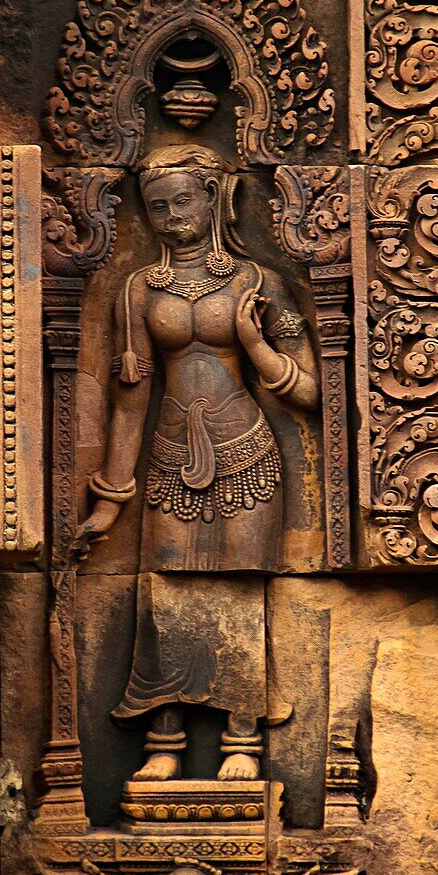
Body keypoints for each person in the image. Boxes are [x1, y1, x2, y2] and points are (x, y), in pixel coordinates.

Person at [79, 145, 320, 782]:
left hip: (246, 453)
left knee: (239, 587)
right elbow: (129, 401)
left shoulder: (255, 282)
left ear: (215, 197)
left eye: (183, 201)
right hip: (167, 456)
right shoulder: (139, 288)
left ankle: (242, 742)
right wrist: (110, 496)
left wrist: (253, 343)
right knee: (165, 590)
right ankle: (165, 741)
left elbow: (311, 392)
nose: (169, 217)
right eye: (156, 207)